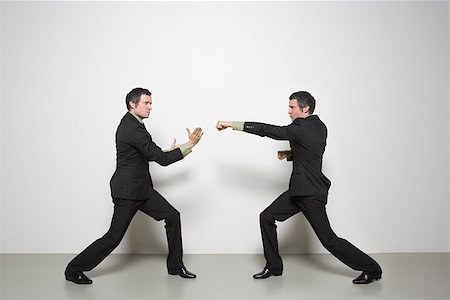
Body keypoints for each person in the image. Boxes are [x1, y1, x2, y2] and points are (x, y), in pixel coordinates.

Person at [216, 91, 382, 284]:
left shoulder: (300, 127)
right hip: (299, 190)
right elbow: (312, 151)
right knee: (267, 217)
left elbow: (268, 130)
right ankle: (274, 266)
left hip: (310, 194)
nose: (289, 111)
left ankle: (372, 268)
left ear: (305, 108)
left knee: (328, 239)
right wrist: (290, 155)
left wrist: (232, 125)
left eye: (292, 107)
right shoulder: (319, 126)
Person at [65, 87, 203, 284]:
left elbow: (148, 154)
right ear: (133, 104)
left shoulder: (132, 123)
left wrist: (169, 151)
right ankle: (73, 269)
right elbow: (161, 159)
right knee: (113, 238)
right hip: (128, 191)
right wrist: (190, 145)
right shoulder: (133, 128)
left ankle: (175, 266)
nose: (150, 107)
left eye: (151, 103)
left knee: (172, 215)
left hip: (141, 189)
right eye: (146, 103)